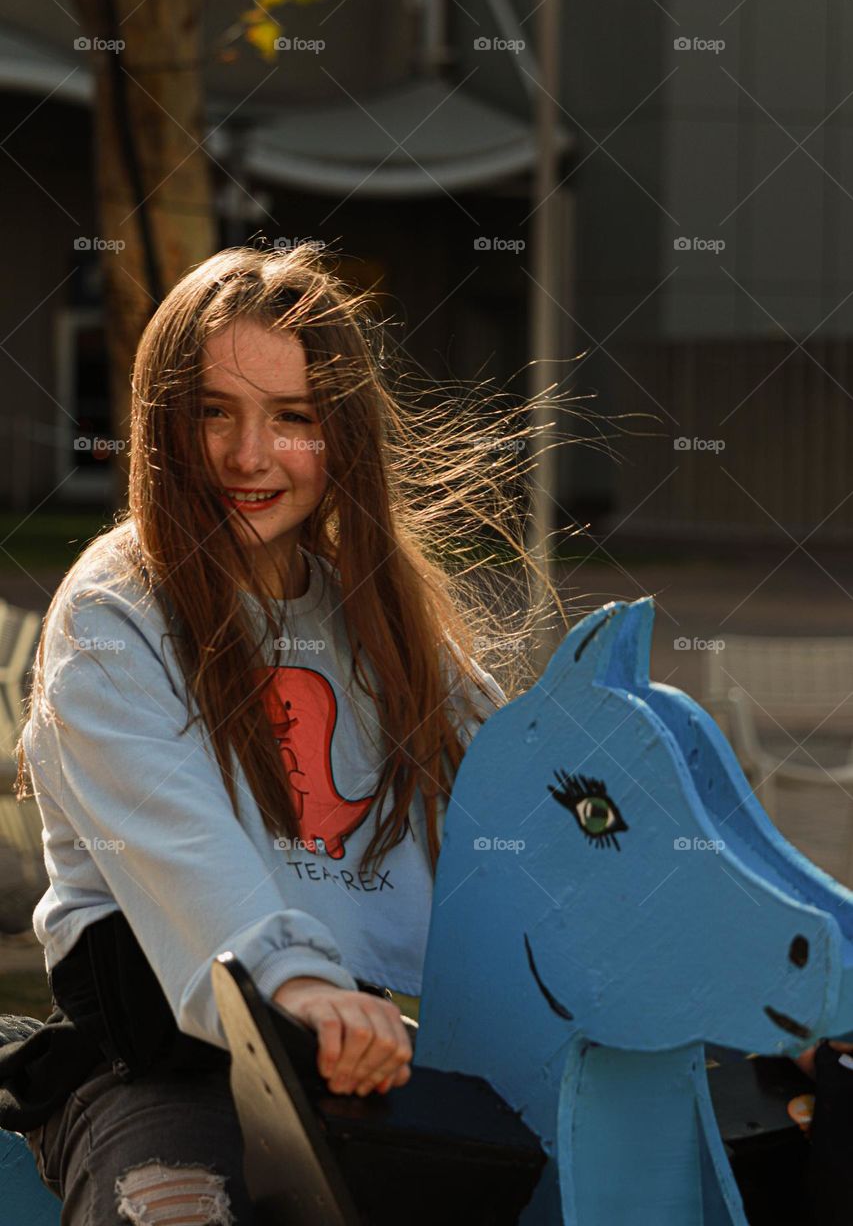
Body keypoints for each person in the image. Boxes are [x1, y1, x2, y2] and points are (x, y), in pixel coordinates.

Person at [6, 244, 562, 1224]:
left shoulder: (383, 619)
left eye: (292, 417)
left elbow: (523, 798)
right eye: (212, 410)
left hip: (350, 1059)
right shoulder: (114, 613)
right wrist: (298, 982)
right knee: (181, 1206)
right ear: (158, 425)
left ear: (339, 435)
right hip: (162, 1064)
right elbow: (182, 839)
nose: (247, 454)